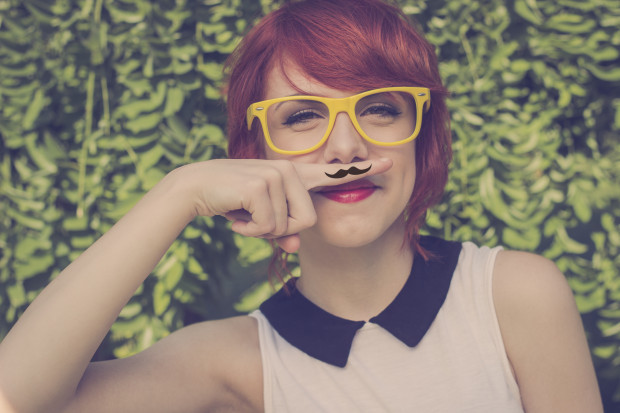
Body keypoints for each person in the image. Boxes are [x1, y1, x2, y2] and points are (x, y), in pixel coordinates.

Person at [0, 0, 603, 412]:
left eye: (380, 108)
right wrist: (179, 191)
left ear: (424, 136)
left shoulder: (514, 295)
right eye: (304, 116)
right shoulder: (233, 360)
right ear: (253, 154)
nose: (346, 146)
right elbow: (15, 398)